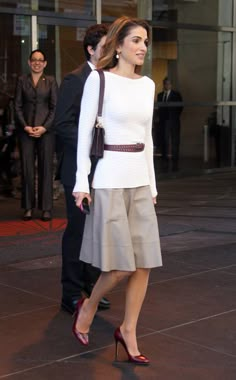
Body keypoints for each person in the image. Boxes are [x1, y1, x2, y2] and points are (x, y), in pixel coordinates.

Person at [72, 16, 162, 365]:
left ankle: (128, 329)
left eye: (146, 42)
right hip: (109, 177)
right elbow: (83, 134)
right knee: (121, 266)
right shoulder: (99, 80)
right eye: (136, 40)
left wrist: (152, 185)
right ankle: (89, 304)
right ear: (119, 44)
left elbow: (148, 136)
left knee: (144, 265)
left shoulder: (148, 85)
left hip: (140, 179)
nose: (142, 47)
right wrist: (82, 182)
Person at [55, 24, 110, 315]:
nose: (110, 52)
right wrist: (92, 142)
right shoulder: (75, 79)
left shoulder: (109, 79)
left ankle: (92, 288)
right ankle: (71, 294)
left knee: (97, 232)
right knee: (77, 232)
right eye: (104, 47)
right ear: (91, 49)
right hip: (78, 170)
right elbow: (62, 124)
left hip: (105, 169)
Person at [14, 49, 58, 221]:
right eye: (34, 60)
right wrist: (25, 126)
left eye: (40, 60)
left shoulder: (51, 81)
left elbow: (55, 107)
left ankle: (46, 208)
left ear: (45, 63)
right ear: (29, 62)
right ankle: (28, 207)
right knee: (27, 169)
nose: (37, 62)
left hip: (46, 132)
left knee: (46, 169)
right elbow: (17, 106)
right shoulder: (21, 80)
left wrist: (44, 127)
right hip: (26, 132)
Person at [157, 77, 183, 171]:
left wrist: (174, 117)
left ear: (171, 85)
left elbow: (180, 107)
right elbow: (159, 109)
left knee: (175, 140)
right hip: (163, 121)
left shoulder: (176, 95)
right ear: (164, 85)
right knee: (164, 140)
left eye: (168, 84)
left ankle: (175, 159)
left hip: (174, 121)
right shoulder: (160, 95)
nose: (167, 85)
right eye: (165, 84)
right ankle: (165, 158)